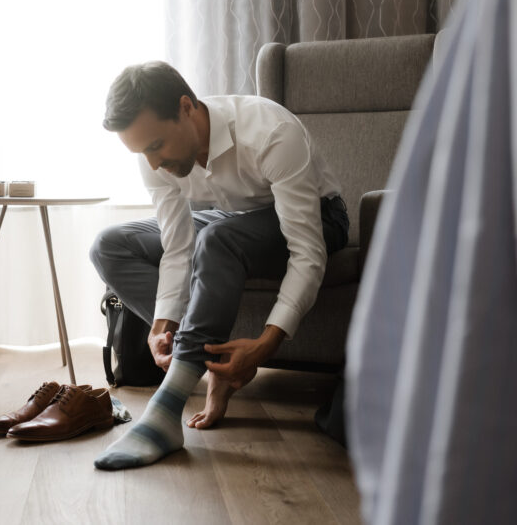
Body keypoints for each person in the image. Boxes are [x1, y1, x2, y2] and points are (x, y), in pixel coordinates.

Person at [90, 60, 349, 470]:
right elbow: (177, 247)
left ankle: (169, 402)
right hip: (233, 220)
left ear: (186, 108)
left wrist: (266, 344)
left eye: (156, 146)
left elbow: (307, 250)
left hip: (317, 219)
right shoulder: (153, 156)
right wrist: (162, 323)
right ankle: (207, 362)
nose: (152, 164)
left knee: (217, 239)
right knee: (110, 245)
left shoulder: (271, 132)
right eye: (142, 152)